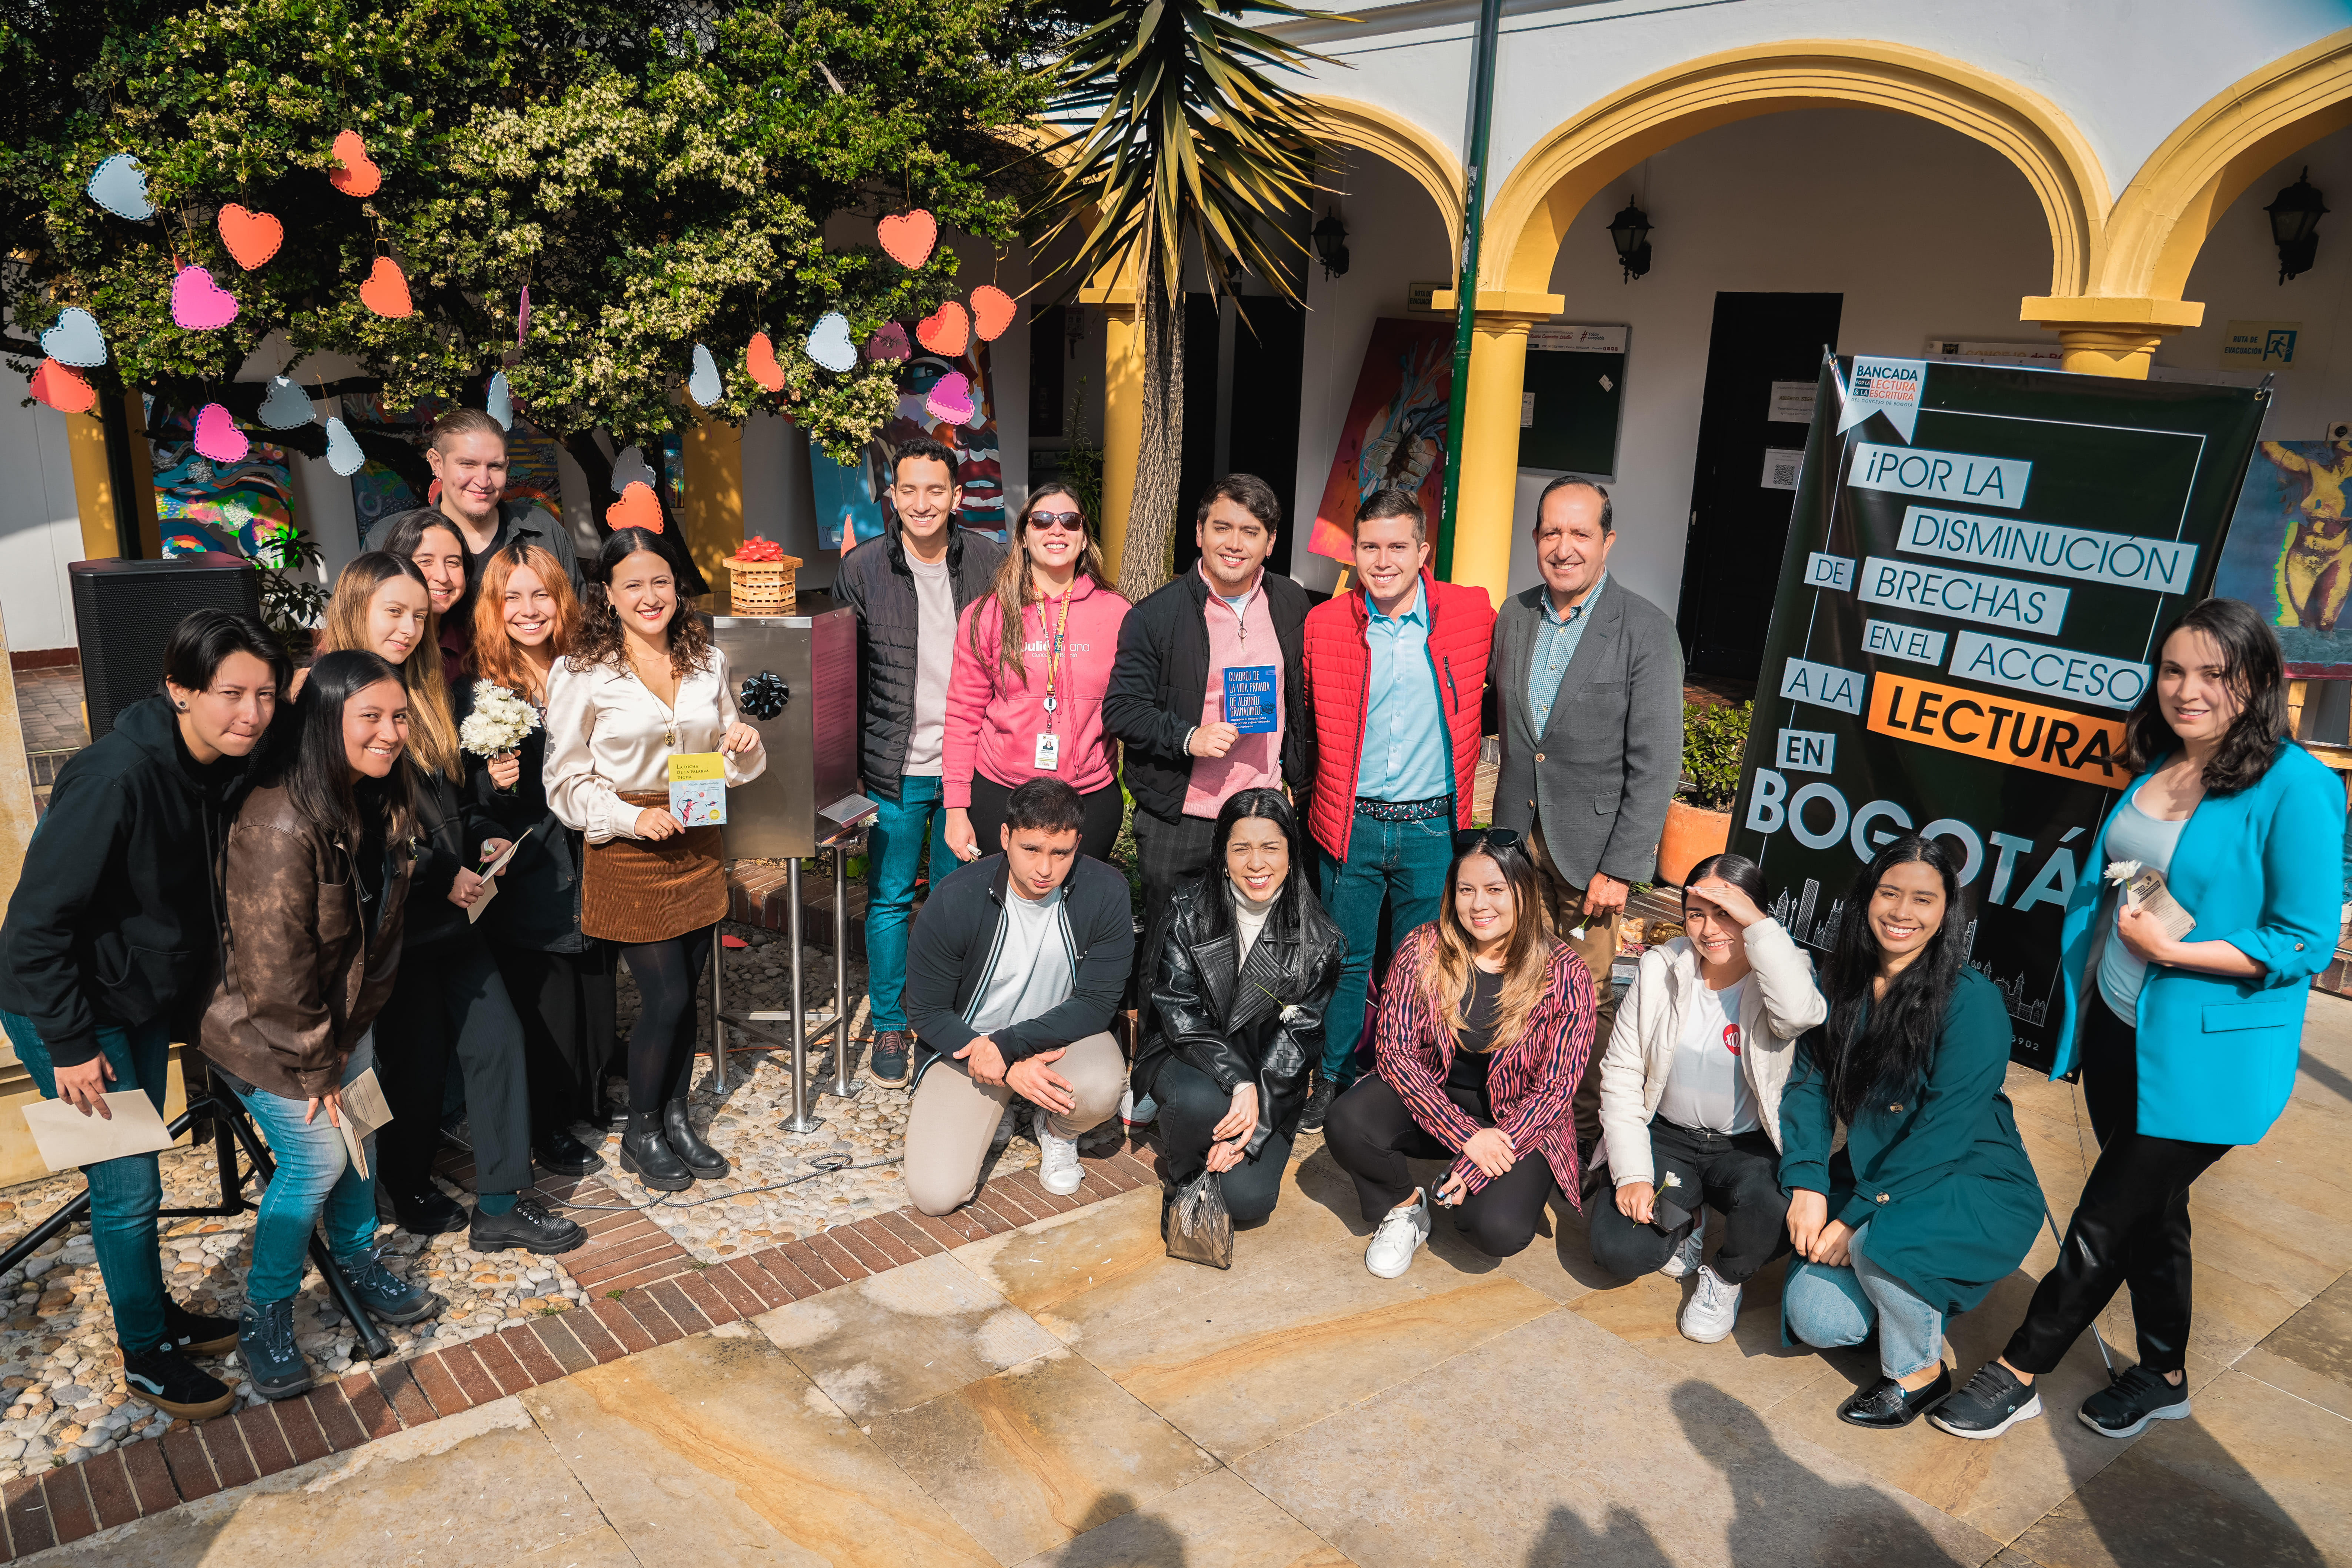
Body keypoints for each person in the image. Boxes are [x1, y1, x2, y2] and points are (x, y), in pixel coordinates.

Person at [1937, 600, 2346, 1442]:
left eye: (2212, 673)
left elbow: (2304, 941)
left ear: (2257, 681)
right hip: (2121, 1025)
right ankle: (2162, 1373)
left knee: (2102, 1221)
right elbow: (2133, 869)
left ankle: (2018, 1369)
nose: (2186, 689)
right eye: (2172, 670)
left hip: (2207, 1055)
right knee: (2151, 1212)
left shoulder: (2297, 784)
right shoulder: (2163, 759)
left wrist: (2175, 948)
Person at [0, 611, 287, 1419]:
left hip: (128, 999)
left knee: (139, 1179)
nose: (251, 712)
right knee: (127, 1185)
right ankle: (147, 1356)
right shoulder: (116, 775)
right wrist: (68, 1042)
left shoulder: (220, 763)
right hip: (64, 1009)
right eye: (230, 693)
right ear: (178, 690)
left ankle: (157, 1315)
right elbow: (33, 927)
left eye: (264, 694)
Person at [316, 553, 584, 1256]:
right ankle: (404, 1183)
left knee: (496, 1038)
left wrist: (487, 838)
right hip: (389, 923)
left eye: (418, 615)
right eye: (393, 613)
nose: (408, 628)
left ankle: (500, 1201)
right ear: (355, 609)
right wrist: (443, 868)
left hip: (452, 912)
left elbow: (457, 807)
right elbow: (358, 827)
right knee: (415, 1060)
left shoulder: (429, 693)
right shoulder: (330, 698)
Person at [200, 650, 443, 1400]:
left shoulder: (378, 796)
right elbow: (275, 973)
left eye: (399, 715)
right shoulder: (280, 820)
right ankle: (264, 1311)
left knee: (361, 1131)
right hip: (267, 1032)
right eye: (369, 716)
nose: (390, 732)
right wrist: (318, 1064)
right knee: (316, 1157)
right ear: (325, 722)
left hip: (342, 1020)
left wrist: (348, 1041)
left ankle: (358, 1256)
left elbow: (376, 932)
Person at [1778, 836, 2043, 1430]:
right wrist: (1807, 1183)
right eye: (1889, 893)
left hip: (1970, 1178)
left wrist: (1856, 1216)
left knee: (1879, 1242)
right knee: (1814, 1315)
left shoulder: (1970, 1002)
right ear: (1866, 898)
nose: (1902, 912)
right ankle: (1903, 1288)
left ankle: (1917, 1369)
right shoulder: (1839, 979)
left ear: (1946, 911)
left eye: (1923, 899)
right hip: (1881, 1168)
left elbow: (1943, 1131)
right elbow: (1808, 1086)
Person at [545, 527, 766, 1191]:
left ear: (678, 587)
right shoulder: (581, 672)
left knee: (687, 992)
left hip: (697, 833)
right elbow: (563, 781)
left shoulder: (706, 662)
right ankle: (640, 1130)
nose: (650, 595)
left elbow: (732, 764)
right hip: (627, 844)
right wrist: (630, 816)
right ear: (607, 595)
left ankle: (676, 1115)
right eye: (633, 583)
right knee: (664, 994)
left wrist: (743, 744)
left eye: (661, 581)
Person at [1105, 474, 1315, 1128]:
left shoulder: (1293, 604)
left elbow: (1304, 700)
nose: (1234, 542)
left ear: (1270, 541)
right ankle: (1152, 1075)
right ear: (1199, 532)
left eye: (1250, 531)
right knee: (1170, 947)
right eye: (1221, 527)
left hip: (1260, 814)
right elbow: (1123, 709)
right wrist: (1189, 735)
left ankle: (1242, 1068)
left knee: (1254, 948)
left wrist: (1297, 777)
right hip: (1184, 813)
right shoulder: (1158, 612)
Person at [1489, 476, 1685, 1174]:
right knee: (1518, 978)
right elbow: (1519, 739)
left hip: (1594, 856)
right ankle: (1518, 1103)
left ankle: (1573, 1129)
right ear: (1535, 539)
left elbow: (1657, 761)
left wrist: (1623, 865)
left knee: (1588, 995)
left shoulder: (1644, 628)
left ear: (1608, 541)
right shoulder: (1513, 617)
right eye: (1550, 532)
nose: (1563, 547)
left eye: (1579, 533)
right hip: (1518, 840)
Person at [1300, 486, 1495, 1131]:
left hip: (1430, 828)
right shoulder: (1326, 623)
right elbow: (1303, 717)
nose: (1382, 561)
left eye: (1396, 546)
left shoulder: (1468, 614)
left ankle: (1403, 1078)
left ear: (1423, 552)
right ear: (1353, 552)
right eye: (1369, 547)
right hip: (1350, 824)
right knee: (1347, 959)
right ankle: (1332, 1075)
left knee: (1419, 964)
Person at [1324, 828, 1594, 1276]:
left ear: (1524, 892)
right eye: (1466, 890)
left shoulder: (1565, 972)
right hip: (1437, 1097)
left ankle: (1468, 1185)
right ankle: (1406, 1206)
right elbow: (1395, 1054)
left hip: (1519, 1120)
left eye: (1495, 890)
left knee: (1496, 1229)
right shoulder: (1424, 947)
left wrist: (1474, 1168)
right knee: (1347, 1120)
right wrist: (1468, 1137)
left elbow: (1555, 1091)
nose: (1478, 904)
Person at [1589, 853, 1824, 1342]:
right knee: (1620, 1251)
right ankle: (1689, 1215)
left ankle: (1721, 1278)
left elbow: (1800, 1016)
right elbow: (1621, 1074)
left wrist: (1757, 926)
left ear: (1757, 916)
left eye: (1726, 912)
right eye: (1696, 912)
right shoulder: (1659, 967)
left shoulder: (1785, 973)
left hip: (1745, 1149)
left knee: (1777, 1208)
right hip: (1668, 1140)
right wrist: (1632, 1173)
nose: (1709, 928)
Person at [834, 436, 1006, 1089]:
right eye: (909, 490)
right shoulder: (864, 568)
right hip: (894, 766)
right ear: (893, 496)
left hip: (971, 763)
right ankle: (889, 1020)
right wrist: (844, 771)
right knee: (889, 898)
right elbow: (844, 676)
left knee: (958, 900)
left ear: (957, 496)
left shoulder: (992, 563)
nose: (922, 502)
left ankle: (945, 1020)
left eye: (936, 489)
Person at [901, 778, 1135, 1213]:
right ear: (1006, 837)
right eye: (1031, 849)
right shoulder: (956, 898)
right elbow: (926, 1010)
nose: (1045, 868)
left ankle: (1057, 1130)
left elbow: (1096, 1004)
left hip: (1058, 1039)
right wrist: (1004, 1067)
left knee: (1104, 1087)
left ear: (1078, 844)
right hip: (971, 1047)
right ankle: (1002, 1104)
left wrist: (1008, 1050)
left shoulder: (1106, 891)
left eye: (1060, 853)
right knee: (935, 1196)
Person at [464, 539, 615, 1169]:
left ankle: (592, 1094)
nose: (529, 610)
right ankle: (549, 1122)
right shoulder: (481, 687)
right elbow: (461, 797)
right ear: (494, 608)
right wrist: (490, 785)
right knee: (546, 996)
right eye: (512, 597)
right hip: (534, 868)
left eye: (541, 594)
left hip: (599, 850)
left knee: (596, 982)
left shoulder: (592, 668)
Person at [1135, 788, 1342, 1228]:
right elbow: (1177, 1008)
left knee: (1246, 1206)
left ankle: (1222, 1146)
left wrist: (1253, 1129)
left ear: (1291, 851)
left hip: (1270, 1079)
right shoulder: (1189, 909)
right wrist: (1237, 1079)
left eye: (1271, 847)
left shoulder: (1320, 941)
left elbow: (1295, 1049)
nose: (1256, 863)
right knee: (1196, 1102)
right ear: (1222, 854)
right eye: (1240, 848)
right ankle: (1183, 1176)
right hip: (1189, 1056)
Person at [943, 486, 1132, 867]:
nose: (1056, 530)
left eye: (1070, 521)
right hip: (1000, 794)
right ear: (1025, 537)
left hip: (1088, 795)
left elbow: (1135, 707)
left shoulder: (1118, 614)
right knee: (1003, 915)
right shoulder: (987, 614)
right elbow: (963, 714)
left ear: (1084, 539)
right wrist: (956, 808)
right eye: (1042, 520)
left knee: (1074, 916)